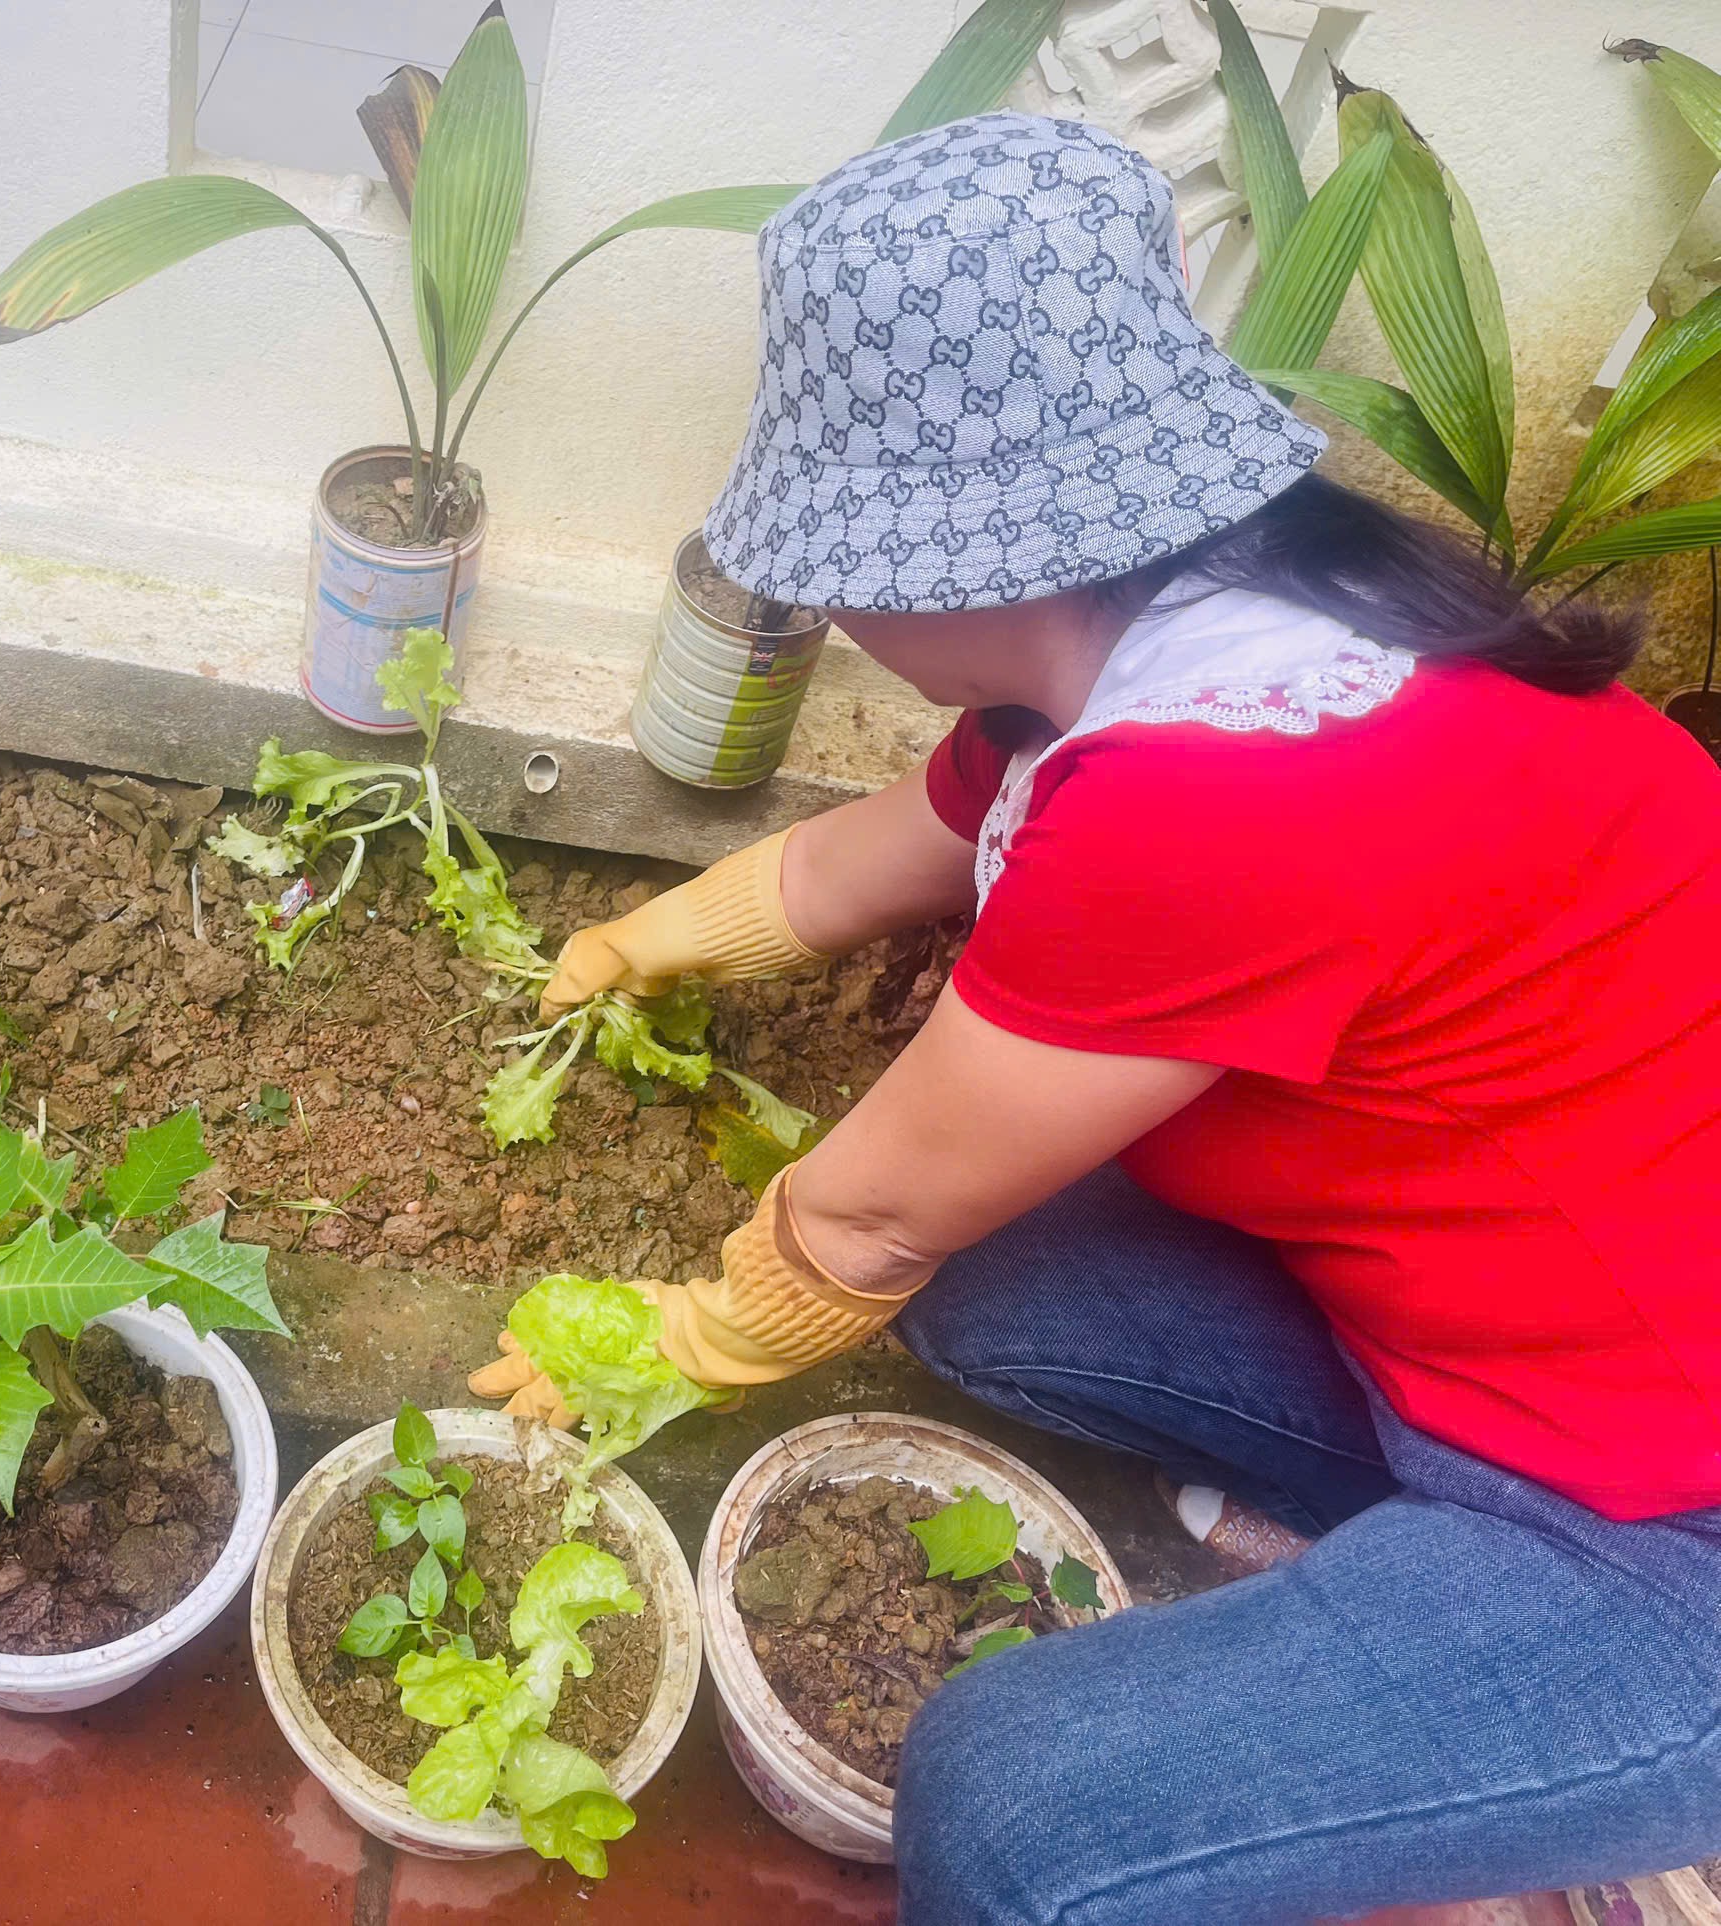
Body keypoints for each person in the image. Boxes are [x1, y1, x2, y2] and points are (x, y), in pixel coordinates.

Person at [468, 112, 1721, 1923]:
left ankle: (1483, 1660)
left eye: (840, 558)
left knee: (1012, 1809)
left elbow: (868, 1214)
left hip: (1664, 1521)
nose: (832, 602)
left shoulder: (1214, 797)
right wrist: (646, 941)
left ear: (961, 565)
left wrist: (676, 1337)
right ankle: (1412, 1598)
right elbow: (883, 853)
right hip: (1524, 1334)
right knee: (995, 1283)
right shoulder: (1236, 626)